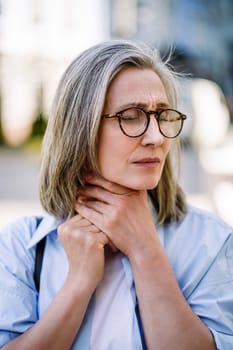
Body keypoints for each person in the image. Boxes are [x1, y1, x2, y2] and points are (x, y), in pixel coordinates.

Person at [0, 40, 232, 350]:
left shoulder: (211, 242)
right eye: (131, 116)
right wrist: (79, 284)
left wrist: (146, 251)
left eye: (163, 115)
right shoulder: (21, 248)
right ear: (81, 129)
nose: (156, 137)